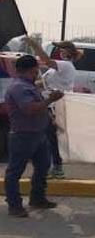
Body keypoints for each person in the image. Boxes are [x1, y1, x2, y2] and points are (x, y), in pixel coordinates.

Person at [4, 55, 64, 217]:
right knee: (15, 172)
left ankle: (37, 198)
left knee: (43, 166)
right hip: (23, 135)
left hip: (38, 134)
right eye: (37, 68)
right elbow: (29, 109)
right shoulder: (19, 88)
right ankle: (14, 205)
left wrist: (50, 118)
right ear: (33, 69)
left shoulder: (28, 86)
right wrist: (51, 99)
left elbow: (38, 108)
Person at [25, 38, 81, 179]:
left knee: (50, 139)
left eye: (62, 49)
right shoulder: (55, 69)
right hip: (48, 106)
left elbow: (47, 61)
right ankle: (52, 167)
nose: (60, 51)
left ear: (68, 52)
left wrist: (35, 46)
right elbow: (42, 84)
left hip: (55, 108)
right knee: (48, 138)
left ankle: (56, 167)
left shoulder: (66, 66)